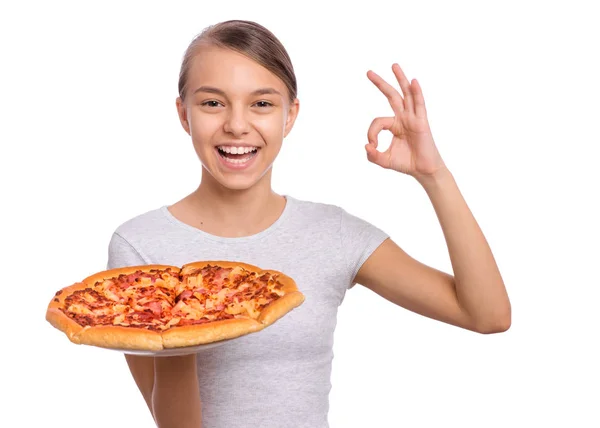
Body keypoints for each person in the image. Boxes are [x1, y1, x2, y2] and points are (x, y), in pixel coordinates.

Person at [107, 19, 511, 428]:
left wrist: (433, 173)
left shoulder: (332, 234)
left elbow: (488, 315)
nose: (236, 124)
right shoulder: (142, 247)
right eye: (212, 103)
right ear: (183, 114)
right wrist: (181, 323)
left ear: (290, 115)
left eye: (261, 103)